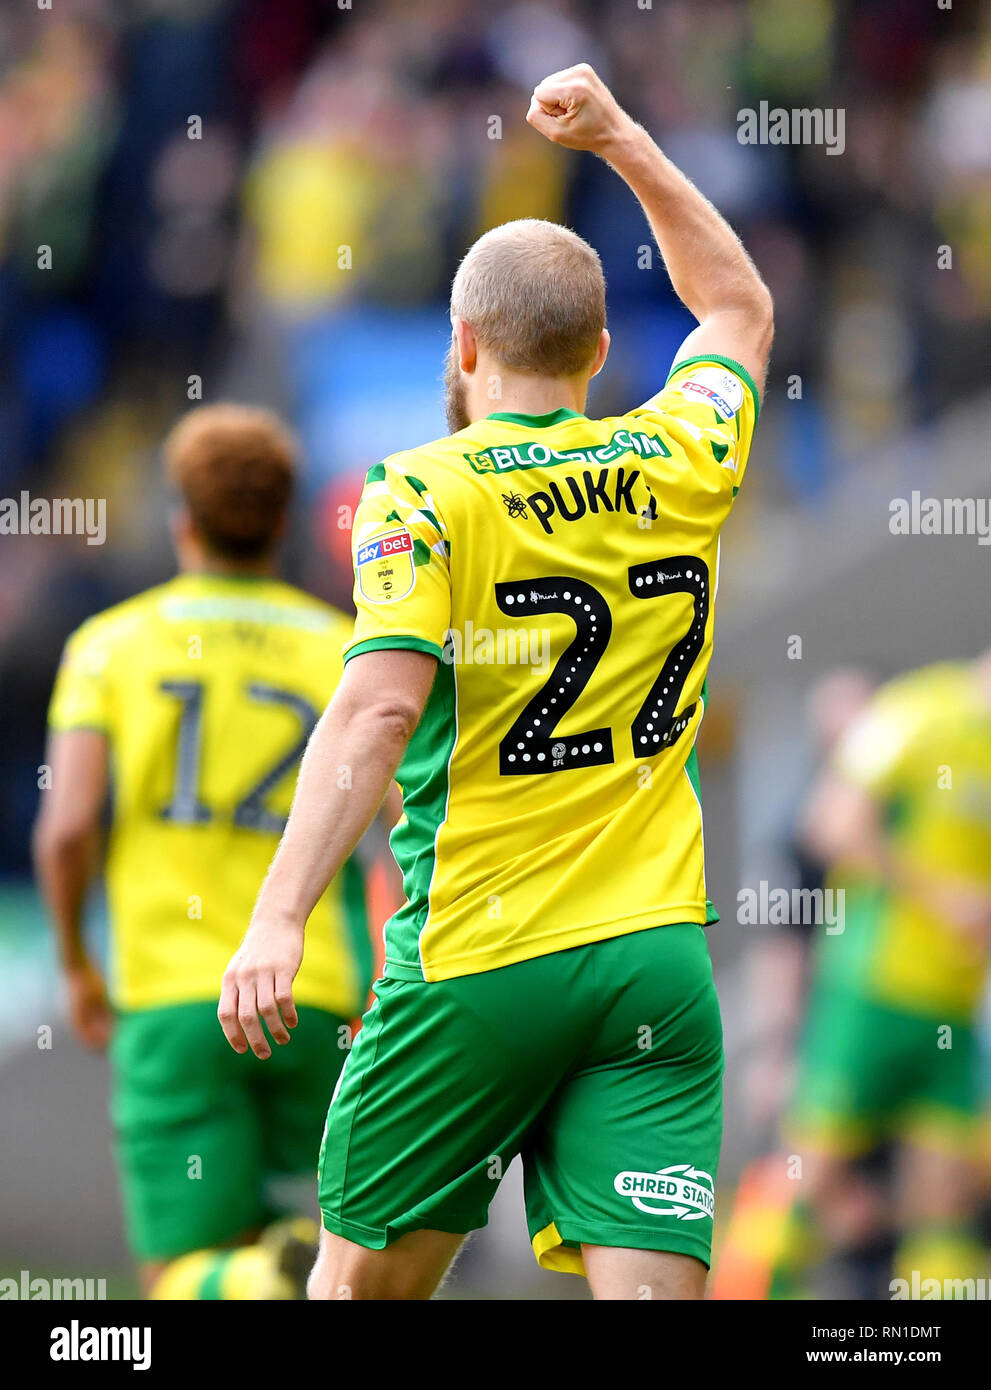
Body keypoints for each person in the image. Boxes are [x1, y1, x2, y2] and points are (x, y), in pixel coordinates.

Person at [219, 63, 773, 1301]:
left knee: (354, 1290)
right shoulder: (682, 452)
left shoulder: (421, 490)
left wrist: (277, 914)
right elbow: (735, 304)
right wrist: (624, 137)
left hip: (479, 959)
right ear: (601, 347)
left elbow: (376, 706)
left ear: (461, 344)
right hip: (653, 964)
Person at [33, 404, 378, 1297]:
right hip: (317, 994)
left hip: (174, 995)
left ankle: (257, 1276)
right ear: (283, 522)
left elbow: (67, 827)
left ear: (179, 517)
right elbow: (399, 827)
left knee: (180, 1274)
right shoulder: (345, 651)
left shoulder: (108, 646)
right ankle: (280, 1261)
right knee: (336, 1257)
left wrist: (75, 960)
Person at [775, 653, 991, 1298]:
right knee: (808, 1179)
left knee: (945, 1199)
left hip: (953, 1006)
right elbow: (830, 823)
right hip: (870, 992)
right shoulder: (919, 710)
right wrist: (939, 897)